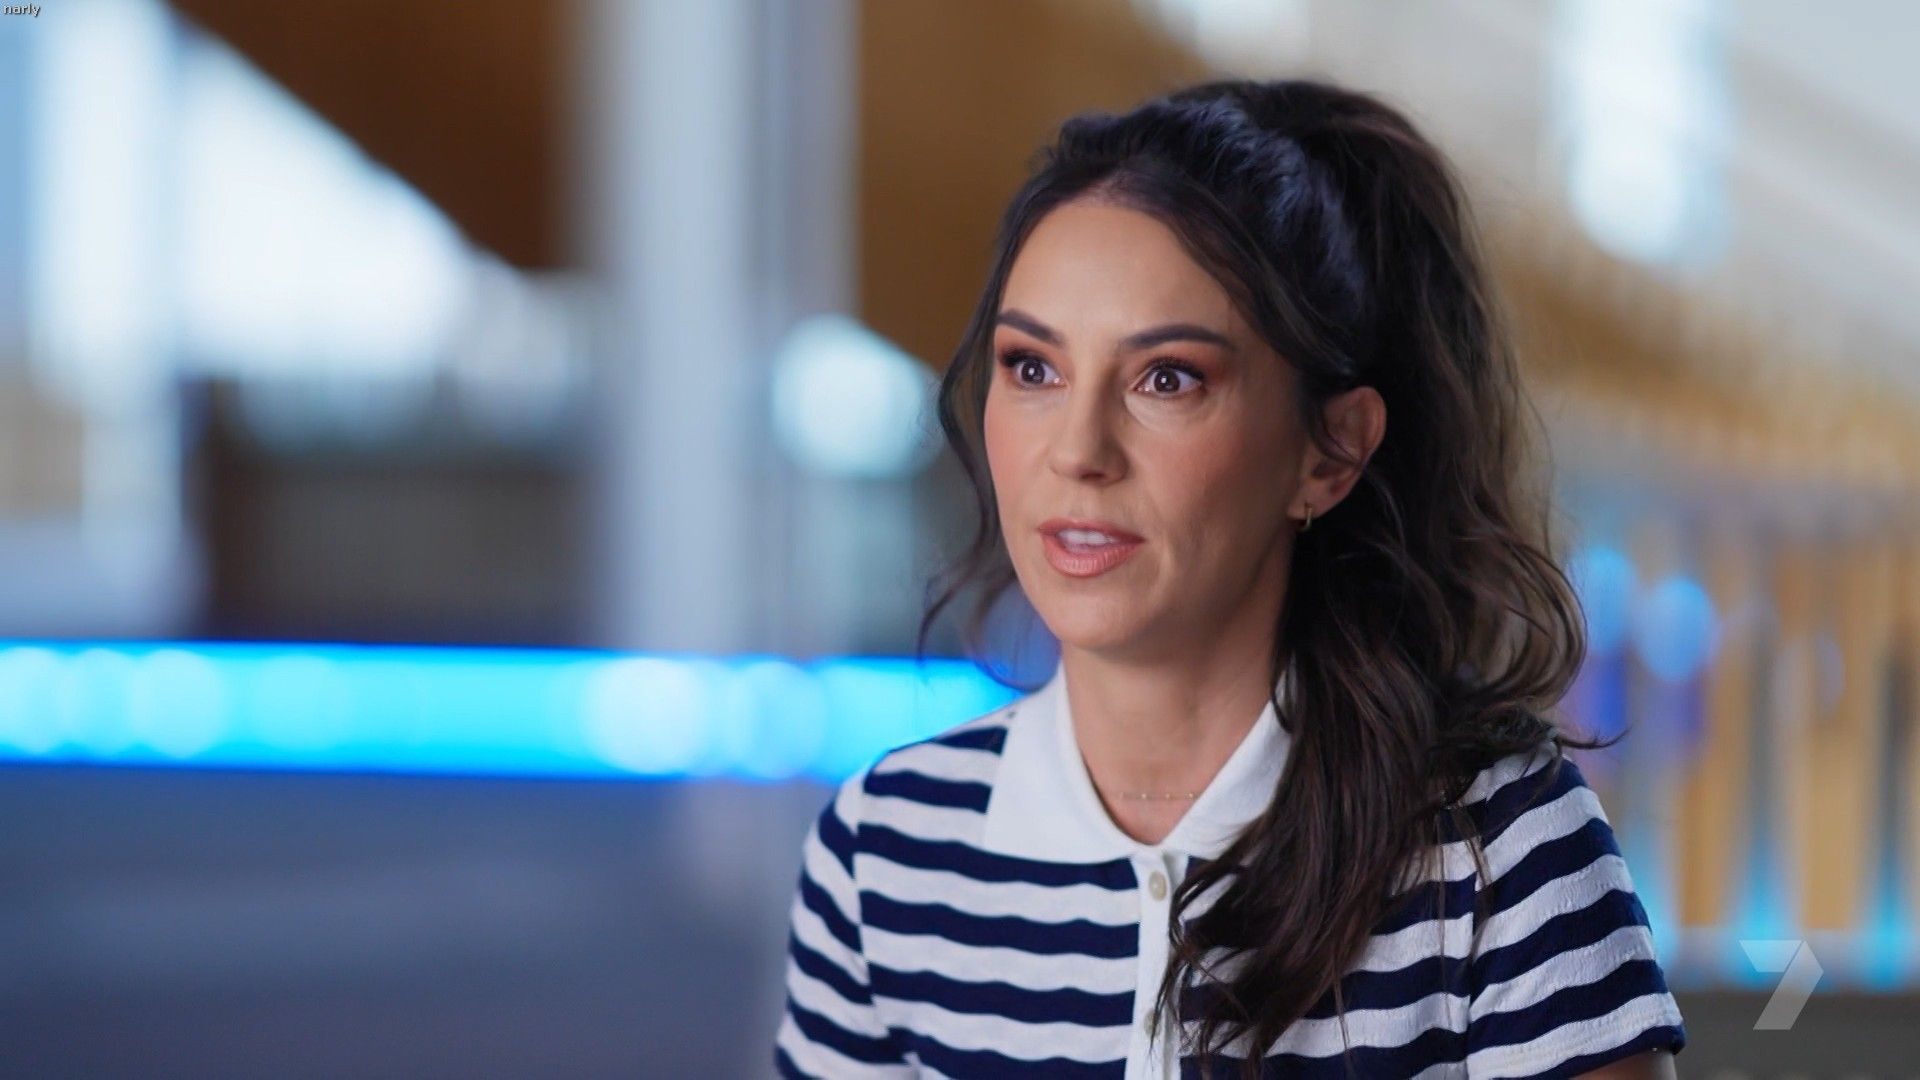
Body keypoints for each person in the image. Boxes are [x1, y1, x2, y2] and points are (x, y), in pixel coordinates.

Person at [773, 77, 1687, 1079]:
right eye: (1033, 368)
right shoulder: (882, 856)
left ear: (1330, 452)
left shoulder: (1501, 850)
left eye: (1166, 378)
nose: (1077, 452)